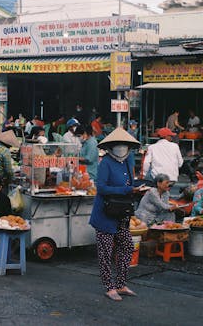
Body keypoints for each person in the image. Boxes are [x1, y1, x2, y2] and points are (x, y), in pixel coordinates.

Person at [89, 127, 140, 301]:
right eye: (118, 145)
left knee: (127, 247)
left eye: (124, 145)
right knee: (105, 252)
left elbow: (130, 182)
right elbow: (101, 188)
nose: (121, 148)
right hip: (105, 213)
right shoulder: (106, 163)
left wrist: (135, 189)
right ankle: (109, 286)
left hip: (121, 214)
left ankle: (121, 283)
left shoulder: (128, 161)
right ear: (111, 146)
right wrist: (126, 189)